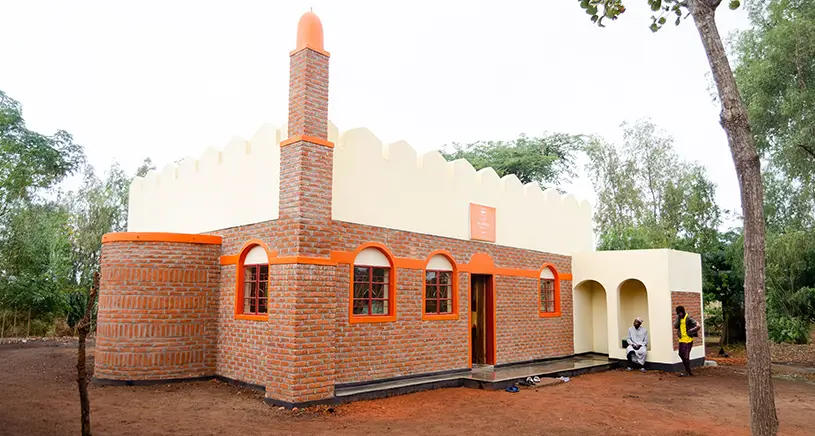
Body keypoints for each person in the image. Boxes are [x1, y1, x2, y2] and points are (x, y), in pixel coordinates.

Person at [674, 305, 700, 376]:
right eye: (678, 313)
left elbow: (697, 325)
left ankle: (687, 371)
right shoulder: (679, 318)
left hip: (688, 340)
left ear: (683, 311)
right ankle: (688, 370)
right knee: (680, 354)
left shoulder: (688, 317)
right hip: (681, 339)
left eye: (681, 313)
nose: (680, 314)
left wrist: (692, 330)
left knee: (686, 356)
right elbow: (675, 326)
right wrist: (678, 318)